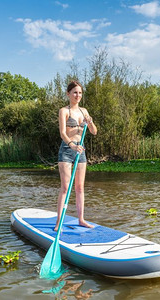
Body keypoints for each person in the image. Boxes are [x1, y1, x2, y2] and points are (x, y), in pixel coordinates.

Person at [54, 81, 97, 231]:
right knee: (65, 188)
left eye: (80, 93)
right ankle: (59, 222)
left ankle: (81, 219)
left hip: (81, 151)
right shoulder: (64, 111)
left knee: (79, 188)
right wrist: (71, 144)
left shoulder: (84, 111)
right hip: (67, 149)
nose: (77, 95)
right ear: (68, 94)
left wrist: (90, 123)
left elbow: (94, 131)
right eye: (74, 92)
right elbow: (63, 133)